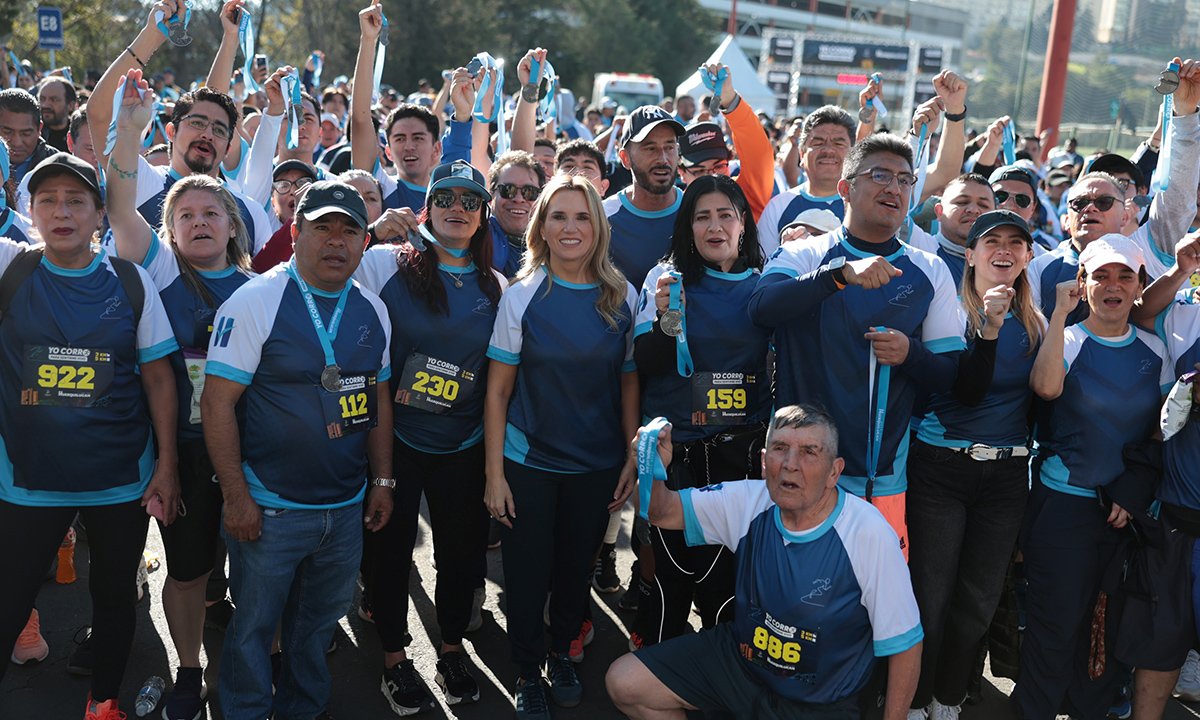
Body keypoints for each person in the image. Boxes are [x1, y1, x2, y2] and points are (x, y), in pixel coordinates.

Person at [201, 180, 395, 720]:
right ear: (295, 231)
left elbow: (377, 401)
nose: (336, 241)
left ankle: (302, 709)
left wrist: (382, 482)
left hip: (344, 506)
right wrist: (236, 498)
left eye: (349, 230)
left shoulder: (373, 310)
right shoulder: (257, 298)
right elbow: (217, 405)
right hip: (271, 506)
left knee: (316, 628)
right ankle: (244, 711)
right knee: (253, 629)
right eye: (322, 227)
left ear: (363, 242)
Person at [0, 151, 181, 720]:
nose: (61, 211)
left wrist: (168, 465)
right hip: (28, 480)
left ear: (100, 213)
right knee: (10, 597)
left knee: (113, 597)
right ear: (28, 210)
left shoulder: (129, 281)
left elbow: (157, 375)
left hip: (117, 478)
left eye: (76, 200)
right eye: (47, 200)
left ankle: (103, 702)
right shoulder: (11, 269)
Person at [606, 405, 923, 720]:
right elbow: (661, 512)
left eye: (809, 452)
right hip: (743, 670)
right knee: (625, 682)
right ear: (763, 461)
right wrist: (650, 468)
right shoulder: (749, 501)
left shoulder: (868, 532)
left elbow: (905, 645)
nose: (790, 465)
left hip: (821, 702)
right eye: (780, 448)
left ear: (834, 472)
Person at [105, 68, 257, 720]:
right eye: (184, 214)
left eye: (210, 214)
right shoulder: (160, 268)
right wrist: (132, 131)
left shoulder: (264, 289)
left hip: (253, 456)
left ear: (231, 226)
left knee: (260, 572)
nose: (198, 222)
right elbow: (117, 204)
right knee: (189, 571)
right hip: (181, 454)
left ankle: (265, 659)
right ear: (169, 231)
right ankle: (190, 669)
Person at [749, 133, 966, 553]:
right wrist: (839, 275)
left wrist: (911, 353)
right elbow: (761, 309)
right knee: (789, 600)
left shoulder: (930, 269)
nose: (895, 188)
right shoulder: (805, 254)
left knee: (870, 605)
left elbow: (949, 374)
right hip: (798, 469)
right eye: (880, 175)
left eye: (905, 180)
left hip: (880, 477)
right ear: (846, 188)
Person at [484, 175, 638, 718]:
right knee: (526, 573)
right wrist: (494, 474)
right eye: (558, 217)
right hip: (529, 462)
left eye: (582, 217)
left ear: (598, 227)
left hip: (595, 467)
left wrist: (630, 457)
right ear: (541, 228)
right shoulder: (521, 295)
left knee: (576, 570)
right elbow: (498, 391)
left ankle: (562, 653)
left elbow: (626, 383)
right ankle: (527, 669)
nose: (570, 228)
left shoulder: (623, 295)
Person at [353, 160, 502, 714]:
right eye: (445, 199)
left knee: (461, 558)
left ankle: (451, 648)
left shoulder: (498, 286)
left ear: (483, 215)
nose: (457, 208)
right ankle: (395, 658)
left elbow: (500, 380)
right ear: (427, 209)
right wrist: (372, 229)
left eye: (469, 200)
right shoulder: (384, 263)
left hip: (461, 446)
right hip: (395, 441)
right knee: (389, 556)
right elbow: (330, 282)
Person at [1015, 234, 1171, 720]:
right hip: (1062, 509)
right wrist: (1060, 315)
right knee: (1053, 628)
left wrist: (1133, 491)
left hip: (1123, 517)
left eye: (1125, 275)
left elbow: (1161, 433)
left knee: (1103, 632)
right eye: (1100, 274)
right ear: (1081, 283)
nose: (1113, 285)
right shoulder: (1067, 338)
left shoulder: (1154, 350)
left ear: (1140, 286)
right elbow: (1044, 387)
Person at [907, 211, 1043, 720]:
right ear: (970, 254)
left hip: (1007, 475)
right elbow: (958, 390)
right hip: (941, 468)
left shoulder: (1038, 319)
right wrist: (986, 324)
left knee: (979, 602)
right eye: (991, 242)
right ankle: (916, 699)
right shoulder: (947, 310)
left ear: (1029, 256)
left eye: (1015, 242)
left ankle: (949, 696)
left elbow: (1045, 396)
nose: (1003, 250)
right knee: (930, 596)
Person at [629, 175, 770, 650]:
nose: (714, 227)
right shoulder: (665, 279)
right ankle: (655, 674)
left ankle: (718, 679)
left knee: (727, 589)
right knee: (670, 582)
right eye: (701, 217)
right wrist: (670, 321)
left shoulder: (766, 282)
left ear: (743, 224)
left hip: (742, 460)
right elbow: (647, 363)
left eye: (725, 215)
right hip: (679, 454)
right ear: (687, 227)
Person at [674, 63, 774, 223]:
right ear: (682, 173)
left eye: (718, 167)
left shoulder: (744, 197)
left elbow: (759, 154)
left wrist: (729, 99)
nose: (711, 178)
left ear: (729, 162)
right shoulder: (672, 212)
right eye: (699, 171)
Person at [604, 106, 686, 288]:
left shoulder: (696, 211)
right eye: (650, 148)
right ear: (625, 158)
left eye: (669, 147)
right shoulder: (602, 218)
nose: (663, 159)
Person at [756, 106, 854, 255]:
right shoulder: (778, 207)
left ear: (853, 155)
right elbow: (764, 271)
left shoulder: (865, 207)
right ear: (802, 155)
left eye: (838, 143)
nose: (828, 150)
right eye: (818, 143)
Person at [487, 151, 545, 277]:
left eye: (529, 192)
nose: (519, 199)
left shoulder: (553, 244)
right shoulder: (477, 236)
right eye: (508, 190)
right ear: (491, 194)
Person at [0, 89, 57, 194]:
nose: (17, 142)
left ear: (39, 129)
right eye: (7, 132)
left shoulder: (58, 166)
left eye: (25, 133)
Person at [36, 76, 76, 153]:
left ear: (70, 105)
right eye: (42, 99)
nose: (45, 105)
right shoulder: (32, 135)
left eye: (54, 100)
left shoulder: (79, 134)